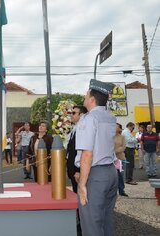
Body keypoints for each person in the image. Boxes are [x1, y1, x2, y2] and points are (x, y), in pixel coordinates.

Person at [75, 79, 118, 236]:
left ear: (92, 98)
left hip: (95, 175)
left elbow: (87, 154)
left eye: (86, 94)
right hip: (111, 172)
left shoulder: (88, 119)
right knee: (106, 222)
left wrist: (82, 184)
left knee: (91, 225)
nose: (85, 97)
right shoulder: (110, 118)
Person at [66, 105, 87, 194]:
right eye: (71, 113)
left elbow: (83, 150)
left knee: (81, 194)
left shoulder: (83, 128)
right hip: (72, 166)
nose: (71, 115)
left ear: (81, 115)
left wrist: (78, 170)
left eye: (74, 113)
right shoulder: (75, 128)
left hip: (78, 168)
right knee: (76, 193)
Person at [114, 123, 128, 197]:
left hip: (120, 159)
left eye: (116, 126)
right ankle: (114, 191)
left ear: (119, 128)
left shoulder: (122, 137)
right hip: (112, 160)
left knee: (121, 176)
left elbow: (123, 147)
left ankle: (121, 190)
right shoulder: (109, 137)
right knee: (113, 176)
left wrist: (114, 151)